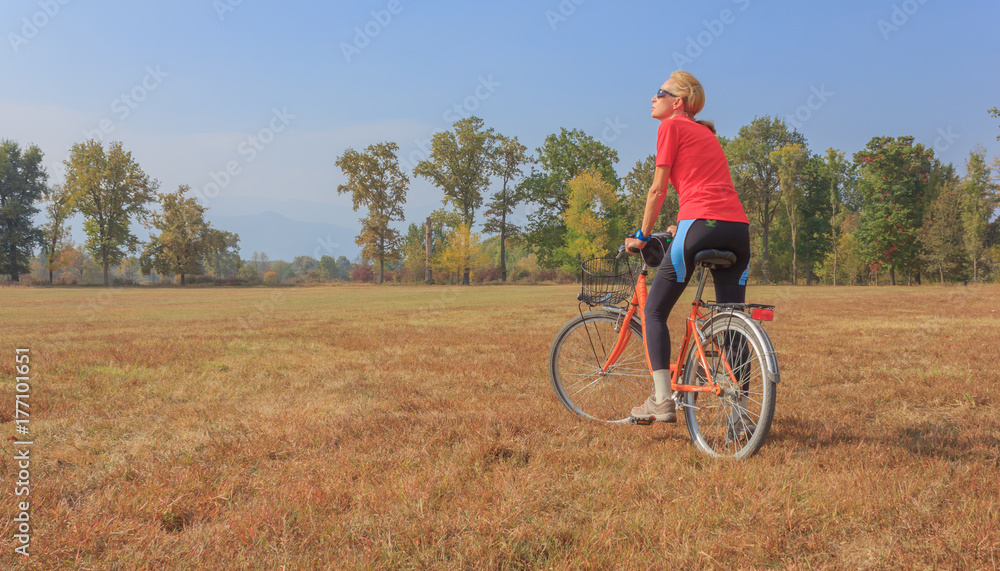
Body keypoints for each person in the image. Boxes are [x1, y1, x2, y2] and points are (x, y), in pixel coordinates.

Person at [624, 70, 751, 423]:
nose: (653, 98)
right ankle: (740, 416)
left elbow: (657, 189)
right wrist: (682, 224)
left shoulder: (671, 127)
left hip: (700, 225)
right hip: (737, 229)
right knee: (731, 321)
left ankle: (663, 401)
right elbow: (707, 188)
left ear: (677, 102)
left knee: (654, 312)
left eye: (659, 92)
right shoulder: (706, 133)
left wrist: (641, 234)